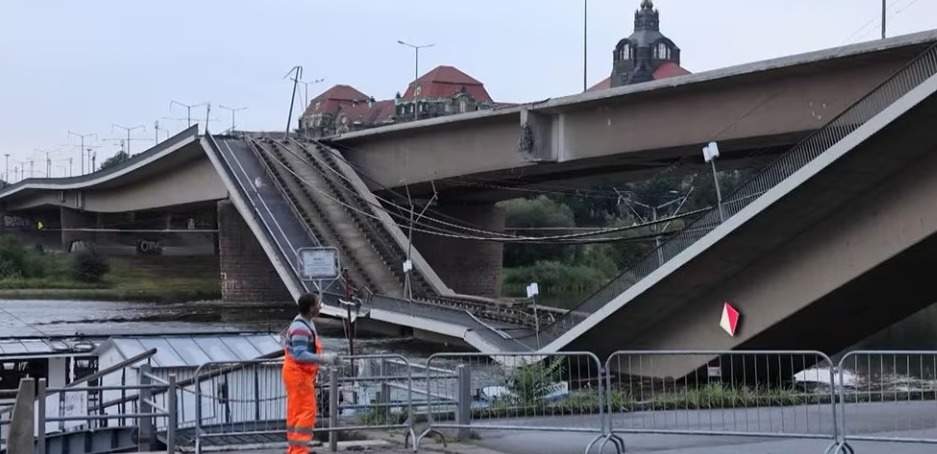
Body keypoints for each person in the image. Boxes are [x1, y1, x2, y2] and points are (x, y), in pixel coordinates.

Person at [282, 293, 338, 454]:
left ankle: (296, 448)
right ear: (311, 308)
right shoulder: (301, 327)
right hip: (298, 375)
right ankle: (299, 450)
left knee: (296, 412)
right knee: (307, 411)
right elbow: (300, 355)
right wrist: (323, 358)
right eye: (318, 304)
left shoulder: (304, 323)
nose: (320, 306)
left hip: (299, 374)